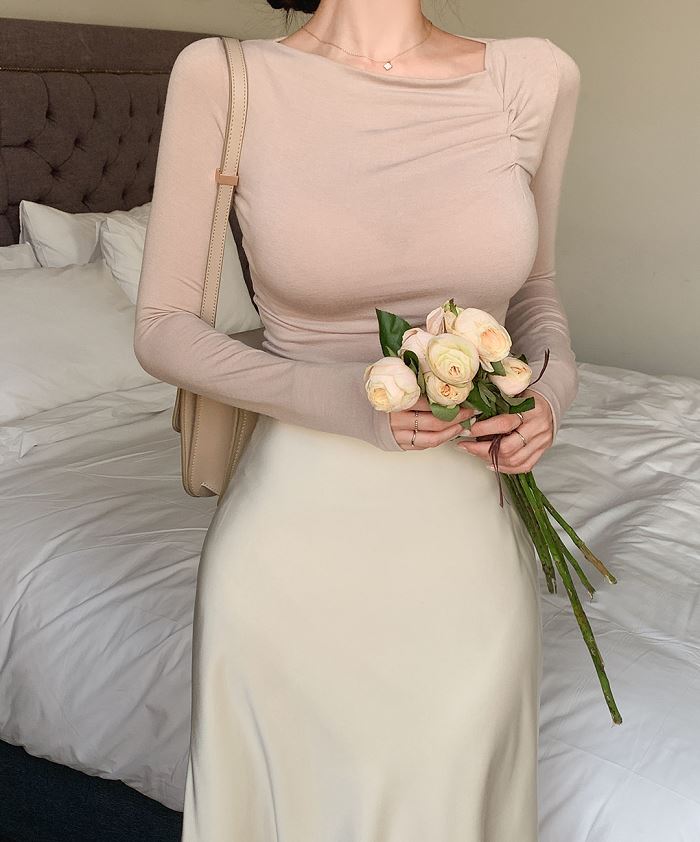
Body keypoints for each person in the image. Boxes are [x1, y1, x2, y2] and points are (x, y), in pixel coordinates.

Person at [134, 1, 581, 838]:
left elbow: (536, 292)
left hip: (465, 549)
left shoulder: (535, 76)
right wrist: (346, 397)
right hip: (289, 555)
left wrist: (551, 395)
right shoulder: (224, 76)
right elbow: (162, 329)